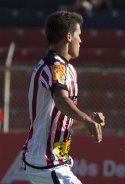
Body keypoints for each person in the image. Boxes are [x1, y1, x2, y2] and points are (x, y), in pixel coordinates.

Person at [21, 10, 105, 184]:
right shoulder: (53, 66)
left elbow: (62, 119)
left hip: (56, 161)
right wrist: (86, 120)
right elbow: (60, 99)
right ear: (68, 36)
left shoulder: (68, 70)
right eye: (78, 35)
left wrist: (88, 120)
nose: (81, 41)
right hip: (46, 162)